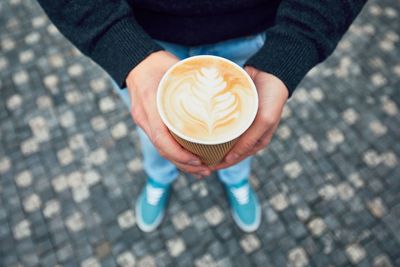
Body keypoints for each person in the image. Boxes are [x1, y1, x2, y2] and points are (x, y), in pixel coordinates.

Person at [37, 0, 366, 232]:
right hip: (138, 30)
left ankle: (236, 178)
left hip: (251, 28)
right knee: (153, 131)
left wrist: (295, 45)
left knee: (242, 130)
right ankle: (159, 177)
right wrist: (118, 43)